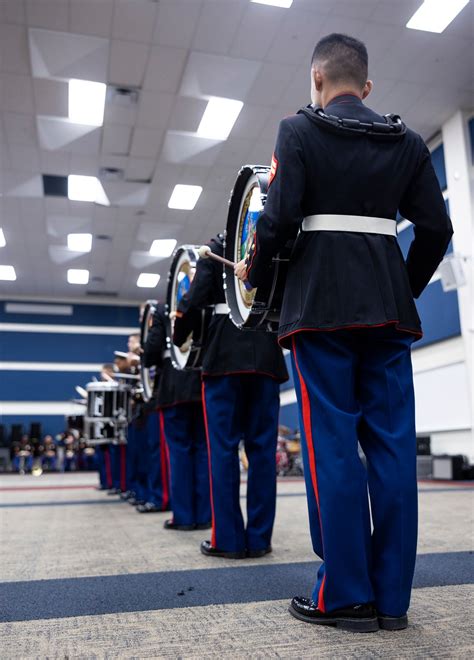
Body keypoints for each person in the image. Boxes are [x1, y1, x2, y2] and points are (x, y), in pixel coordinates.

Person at [235, 33, 453, 632]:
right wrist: (400, 286)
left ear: (317, 82)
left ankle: (344, 595)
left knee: (331, 446)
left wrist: (251, 271)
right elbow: (437, 228)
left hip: (320, 310)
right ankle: (391, 600)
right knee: (391, 449)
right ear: (368, 86)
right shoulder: (407, 141)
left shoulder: (297, 131)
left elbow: (277, 221)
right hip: (387, 312)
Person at [174, 233, 288, 558]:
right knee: (263, 452)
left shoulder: (219, 244)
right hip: (265, 351)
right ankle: (260, 538)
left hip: (223, 353)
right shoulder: (272, 237)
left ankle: (229, 539)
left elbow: (193, 300)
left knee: (222, 451)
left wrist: (177, 334)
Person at [143, 302, 211, 530]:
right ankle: (204, 514)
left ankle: (183, 516)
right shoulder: (205, 302)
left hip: (172, 387)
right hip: (202, 383)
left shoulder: (164, 309)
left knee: (179, 454)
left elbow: (152, 350)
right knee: (203, 451)